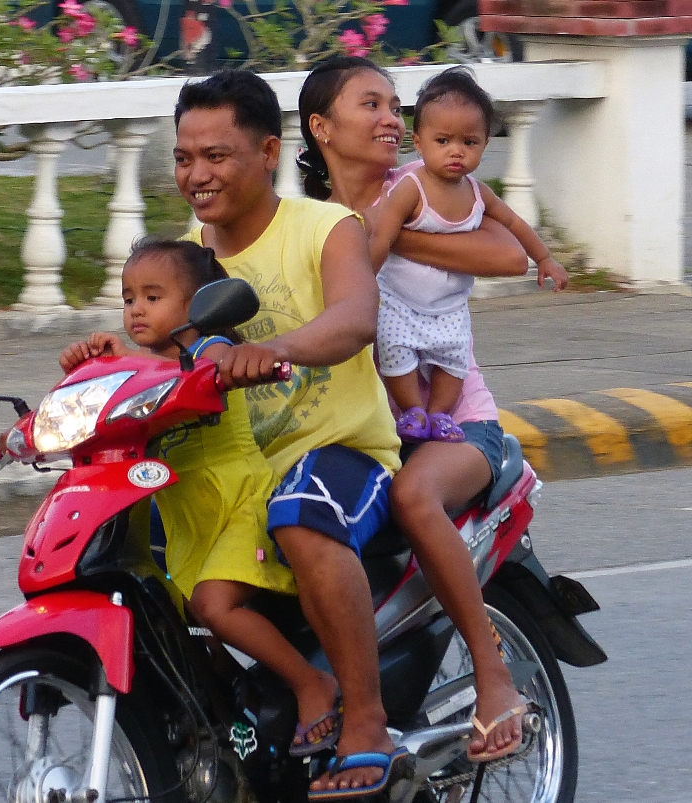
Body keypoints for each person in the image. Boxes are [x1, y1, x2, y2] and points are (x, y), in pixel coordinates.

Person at [297, 57, 567, 773]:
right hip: (357, 428)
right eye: (373, 104)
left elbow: (509, 253)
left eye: (394, 104)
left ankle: (491, 671)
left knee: (418, 497)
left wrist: (383, 235)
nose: (393, 119)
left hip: (457, 422)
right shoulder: (298, 217)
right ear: (321, 128)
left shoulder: (415, 188)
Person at [172, 70, 407, 797]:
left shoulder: (325, 227)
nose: (197, 174)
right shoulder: (187, 248)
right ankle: (218, 714)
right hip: (246, 464)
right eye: (184, 157)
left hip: (343, 453)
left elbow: (354, 317)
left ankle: (364, 720)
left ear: (269, 151)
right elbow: (166, 344)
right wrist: (98, 363)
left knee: (302, 516)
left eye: (217, 155)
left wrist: (276, 350)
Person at [58, 239, 344, 758]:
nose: (136, 309)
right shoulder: (144, 367)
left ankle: (310, 685)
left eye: (152, 296)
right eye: (127, 299)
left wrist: (232, 363)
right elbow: (115, 397)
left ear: (197, 307)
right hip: (188, 523)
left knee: (214, 606)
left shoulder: (206, 348)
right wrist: (90, 366)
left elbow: (208, 364)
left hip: (237, 505)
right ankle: (242, 700)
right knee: (178, 623)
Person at [368, 67, 567, 445]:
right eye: (443, 140)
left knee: (454, 362)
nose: (456, 151)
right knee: (394, 352)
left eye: (469, 142)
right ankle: (412, 409)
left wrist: (545, 258)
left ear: (485, 143)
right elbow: (383, 236)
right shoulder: (411, 188)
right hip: (399, 301)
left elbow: (517, 224)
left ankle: (440, 414)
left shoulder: (478, 194)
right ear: (420, 141)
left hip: (450, 307)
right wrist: (364, 277)